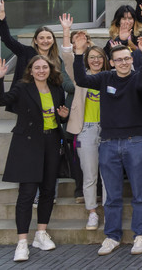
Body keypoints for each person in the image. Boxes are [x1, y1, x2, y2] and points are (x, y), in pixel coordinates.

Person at [72, 35, 142, 256]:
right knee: (113, 195)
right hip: (107, 143)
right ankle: (112, 236)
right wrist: (79, 53)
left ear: (131, 60)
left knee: (139, 194)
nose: (123, 63)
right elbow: (81, 80)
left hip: (134, 142)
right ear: (112, 62)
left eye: (127, 59)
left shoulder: (137, 77)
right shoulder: (104, 78)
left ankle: (140, 235)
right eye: (119, 60)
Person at [0, 55, 69, 262]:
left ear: (50, 70)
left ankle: (41, 234)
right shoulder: (22, 88)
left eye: (45, 67)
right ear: (31, 70)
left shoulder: (57, 89)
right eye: (37, 67)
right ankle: (22, 242)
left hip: (52, 143)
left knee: (48, 190)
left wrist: (64, 116)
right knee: (26, 194)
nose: (41, 70)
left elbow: (61, 115)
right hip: (28, 145)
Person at [58, 14, 105, 232]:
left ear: (105, 60)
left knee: (108, 174)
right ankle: (92, 212)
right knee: (89, 174)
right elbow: (67, 58)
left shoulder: (111, 77)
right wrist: (67, 33)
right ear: (86, 60)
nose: (95, 60)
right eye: (91, 57)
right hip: (85, 129)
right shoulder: (81, 78)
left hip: (109, 130)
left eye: (99, 57)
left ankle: (109, 209)